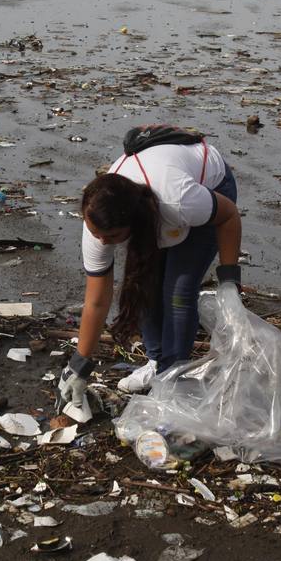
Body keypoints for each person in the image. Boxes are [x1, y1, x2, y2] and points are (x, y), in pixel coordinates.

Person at [56, 126, 242, 414]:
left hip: (210, 190)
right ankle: (158, 363)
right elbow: (96, 300)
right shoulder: (98, 222)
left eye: (113, 237)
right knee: (143, 285)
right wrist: (78, 365)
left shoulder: (180, 201)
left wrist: (229, 280)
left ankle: (171, 377)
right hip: (157, 203)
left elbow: (229, 216)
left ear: (135, 225)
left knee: (178, 292)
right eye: (97, 234)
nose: (102, 242)